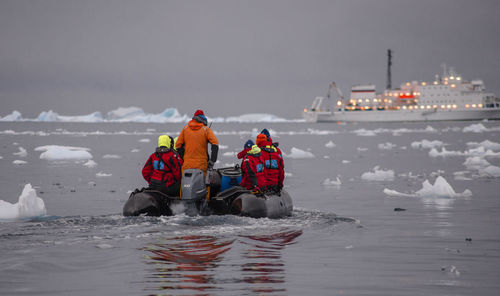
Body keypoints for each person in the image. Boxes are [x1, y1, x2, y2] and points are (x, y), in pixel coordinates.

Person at [175, 109, 219, 174]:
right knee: (202, 183)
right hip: (201, 165)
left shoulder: (185, 129)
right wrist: (212, 161)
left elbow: (178, 145)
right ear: (203, 118)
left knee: (186, 183)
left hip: (187, 165)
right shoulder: (206, 130)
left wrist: (184, 158)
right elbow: (215, 144)